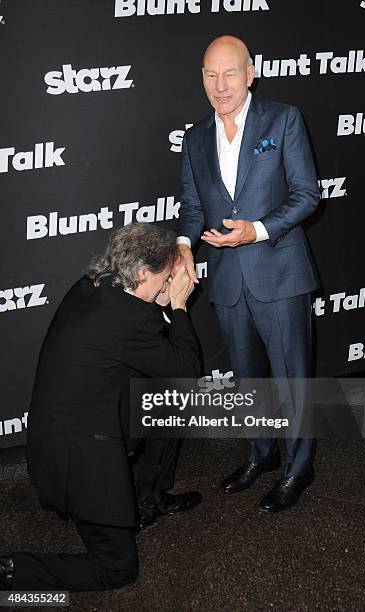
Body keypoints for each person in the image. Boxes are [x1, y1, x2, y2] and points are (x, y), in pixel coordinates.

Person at [0, 223, 201, 592]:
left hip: (66, 427)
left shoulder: (91, 288)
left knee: (171, 404)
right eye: (164, 276)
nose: (169, 281)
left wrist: (157, 300)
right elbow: (187, 370)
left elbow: (140, 340)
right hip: (78, 459)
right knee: (118, 571)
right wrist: (178, 305)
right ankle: (11, 571)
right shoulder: (128, 320)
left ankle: (149, 499)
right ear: (142, 273)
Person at [177, 35, 320, 513]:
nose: (221, 85)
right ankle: (263, 455)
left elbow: (307, 195)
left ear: (250, 72)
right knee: (247, 379)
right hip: (227, 279)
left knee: (291, 377)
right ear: (202, 78)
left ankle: (301, 467)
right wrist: (182, 246)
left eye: (231, 73)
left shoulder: (283, 119)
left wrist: (256, 231)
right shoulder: (195, 137)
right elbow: (194, 208)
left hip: (279, 273)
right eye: (211, 74)